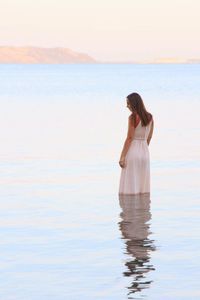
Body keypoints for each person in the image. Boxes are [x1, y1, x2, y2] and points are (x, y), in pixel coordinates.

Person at [118, 92, 154, 195]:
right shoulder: (150, 117)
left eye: (128, 103)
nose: (127, 106)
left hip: (133, 152)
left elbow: (129, 138)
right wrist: (143, 149)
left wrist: (122, 157)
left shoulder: (132, 117)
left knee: (130, 188)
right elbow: (149, 137)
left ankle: (129, 210)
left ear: (134, 104)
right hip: (145, 153)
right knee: (142, 189)